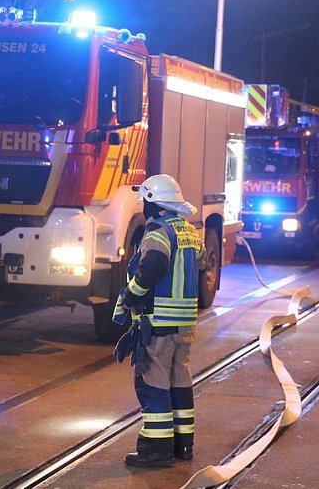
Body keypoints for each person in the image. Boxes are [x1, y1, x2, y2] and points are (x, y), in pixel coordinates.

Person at [112, 174, 204, 467]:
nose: (143, 209)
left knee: (152, 384)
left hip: (159, 323)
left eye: (144, 203)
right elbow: (199, 263)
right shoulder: (189, 232)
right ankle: (183, 446)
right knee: (179, 382)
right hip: (185, 324)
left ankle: (156, 450)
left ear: (153, 204)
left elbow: (152, 268)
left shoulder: (157, 233)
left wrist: (129, 296)